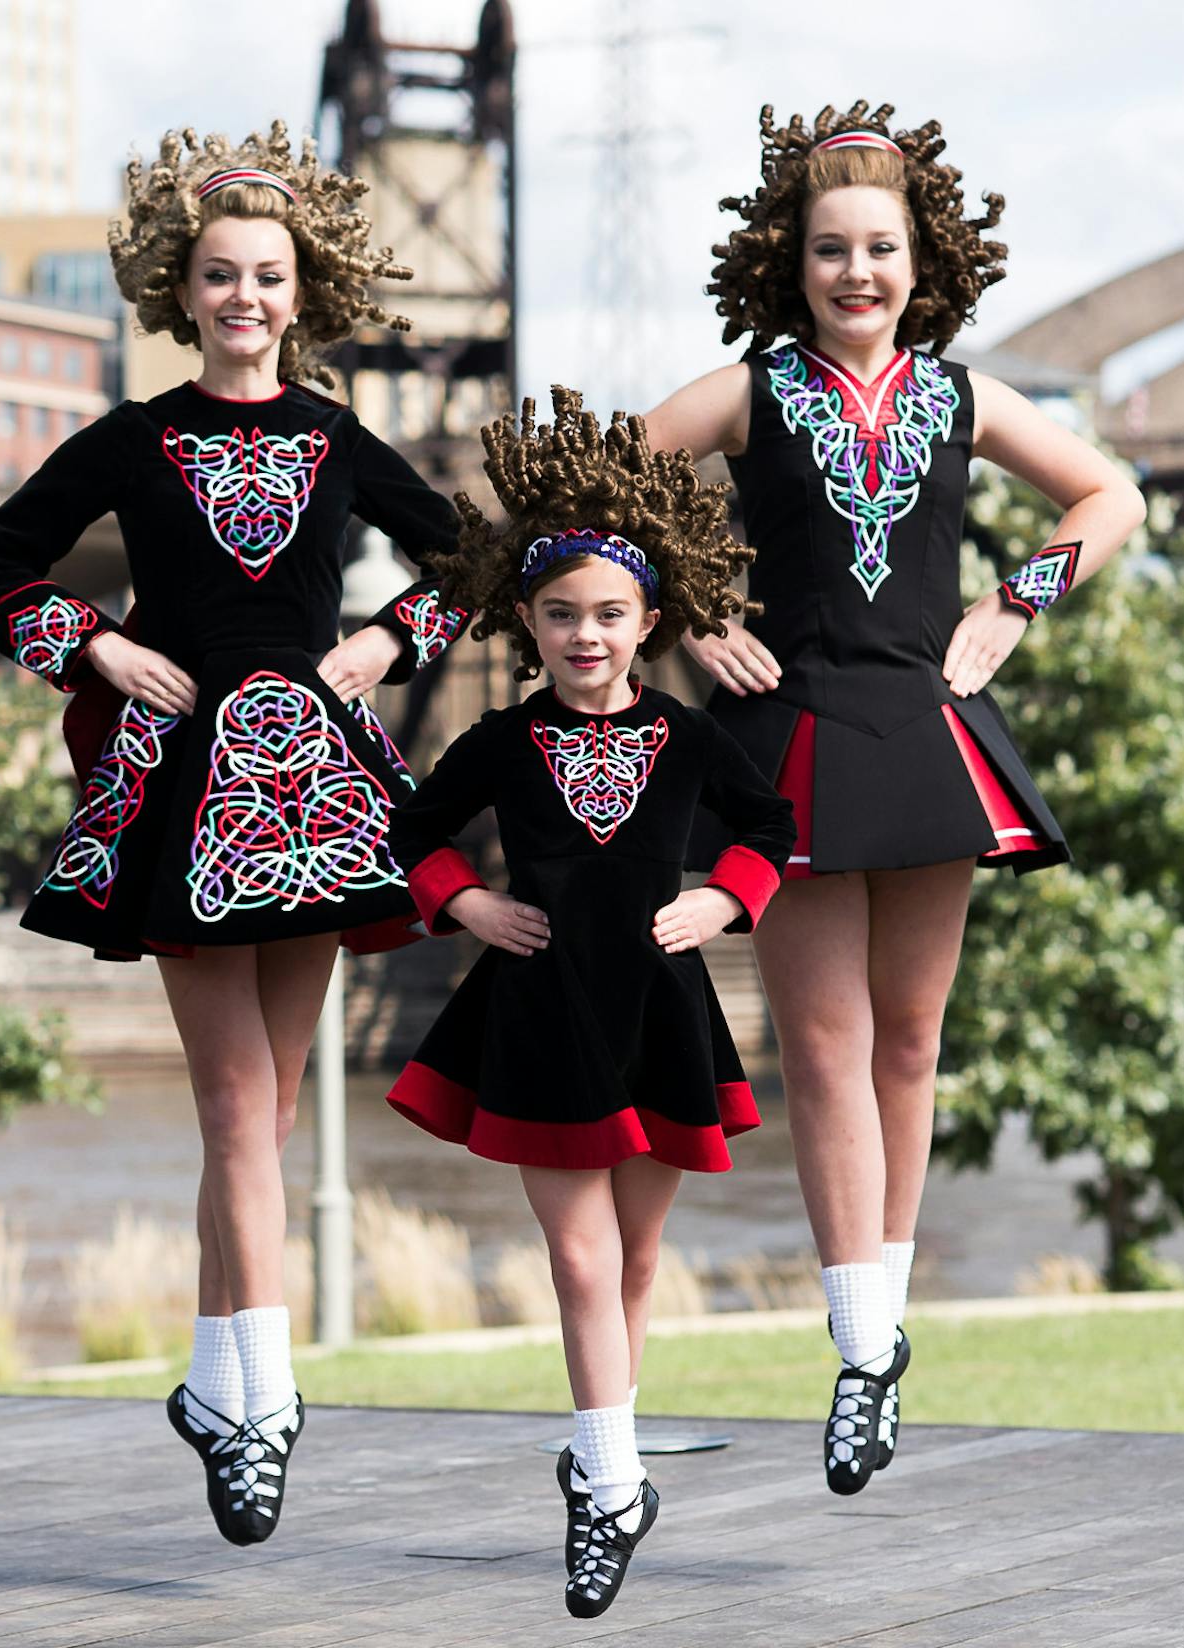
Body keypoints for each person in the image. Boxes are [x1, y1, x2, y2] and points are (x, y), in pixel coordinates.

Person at [0, 122, 470, 1546]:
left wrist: (383, 646)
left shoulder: (341, 442)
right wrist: (97, 653)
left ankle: (206, 1382)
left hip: (321, 792)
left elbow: (477, 563)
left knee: (268, 1120)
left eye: (270, 277)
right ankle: (271, 1403)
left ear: (303, 295)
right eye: (222, 276)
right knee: (240, 1117)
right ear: (182, 292)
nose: (246, 297)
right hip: (181, 797)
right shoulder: (131, 439)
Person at [642, 103, 1147, 1494]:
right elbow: (593, 489)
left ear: (924, 258)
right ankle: (860, 1350)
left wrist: (1015, 601)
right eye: (830, 250)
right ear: (787, 260)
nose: (856, 272)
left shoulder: (963, 396)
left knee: (911, 1044)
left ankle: (890, 1322)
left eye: (880, 248)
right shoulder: (750, 390)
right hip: (786, 732)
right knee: (820, 1045)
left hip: (929, 726)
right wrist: (686, 613)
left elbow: (1112, 497)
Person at [384, 388, 794, 1617]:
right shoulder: (501, 744)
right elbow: (412, 833)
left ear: (649, 621)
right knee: (577, 1254)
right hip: (542, 1018)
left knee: (638, 1252)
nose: (586, 635)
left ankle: (604, 1449)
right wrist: (464, 906)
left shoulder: (684, 738)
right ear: (526, 619)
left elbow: (771, 826)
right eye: (561, 614)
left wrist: (724, 902)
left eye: (610, 615)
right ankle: (611, 1483)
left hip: (661, 1013)